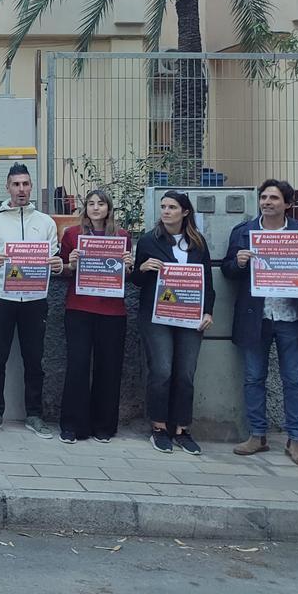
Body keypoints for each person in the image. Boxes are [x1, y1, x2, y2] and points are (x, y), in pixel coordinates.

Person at [223, 179, 298, 467]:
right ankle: (257, 435)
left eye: (274, 198)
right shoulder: (244, 232)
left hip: (292, 319)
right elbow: (228, 271)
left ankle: (295, 440)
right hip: (255, 318)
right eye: (264, 197)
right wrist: (239, 262)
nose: (267, 202)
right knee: (253, 378)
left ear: (288, 204)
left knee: (293, 380)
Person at [0, 163, 64, 439]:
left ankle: (34, 415)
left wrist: (57, 265)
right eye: (16, 184)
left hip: (35, 300)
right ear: (8, 188)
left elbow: (54, 259)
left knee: (34, 360)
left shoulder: (46, 222)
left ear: (31, 187)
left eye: (25, 184)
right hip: (1, 298)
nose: (21, 189)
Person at [130, 190, 215, 455]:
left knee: (185, 373)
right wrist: (142, 269)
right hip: (156, 317)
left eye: (172, 207)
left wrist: (208, 312)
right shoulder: (149, 240)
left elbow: (207, 281)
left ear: (185, 212)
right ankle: (158, 427)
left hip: (190, 315)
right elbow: (136, 282)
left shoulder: (197, 242)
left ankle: (181, 429)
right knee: (162, 370)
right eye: (164, 207)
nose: (166, 211)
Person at [58, 189, 134, 444]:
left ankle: (104, 426)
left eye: (101, 203)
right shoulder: (72, 234)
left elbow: (127, 275)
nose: (96, 208)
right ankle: (72, 426)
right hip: (79, 309)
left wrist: (128, 265)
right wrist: (71, 263)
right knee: (77, 366)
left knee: (109, 368)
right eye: (91, 203)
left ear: (109, 208)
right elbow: (62, 270)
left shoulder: (122, 236)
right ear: (85, 208)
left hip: (113, 311)